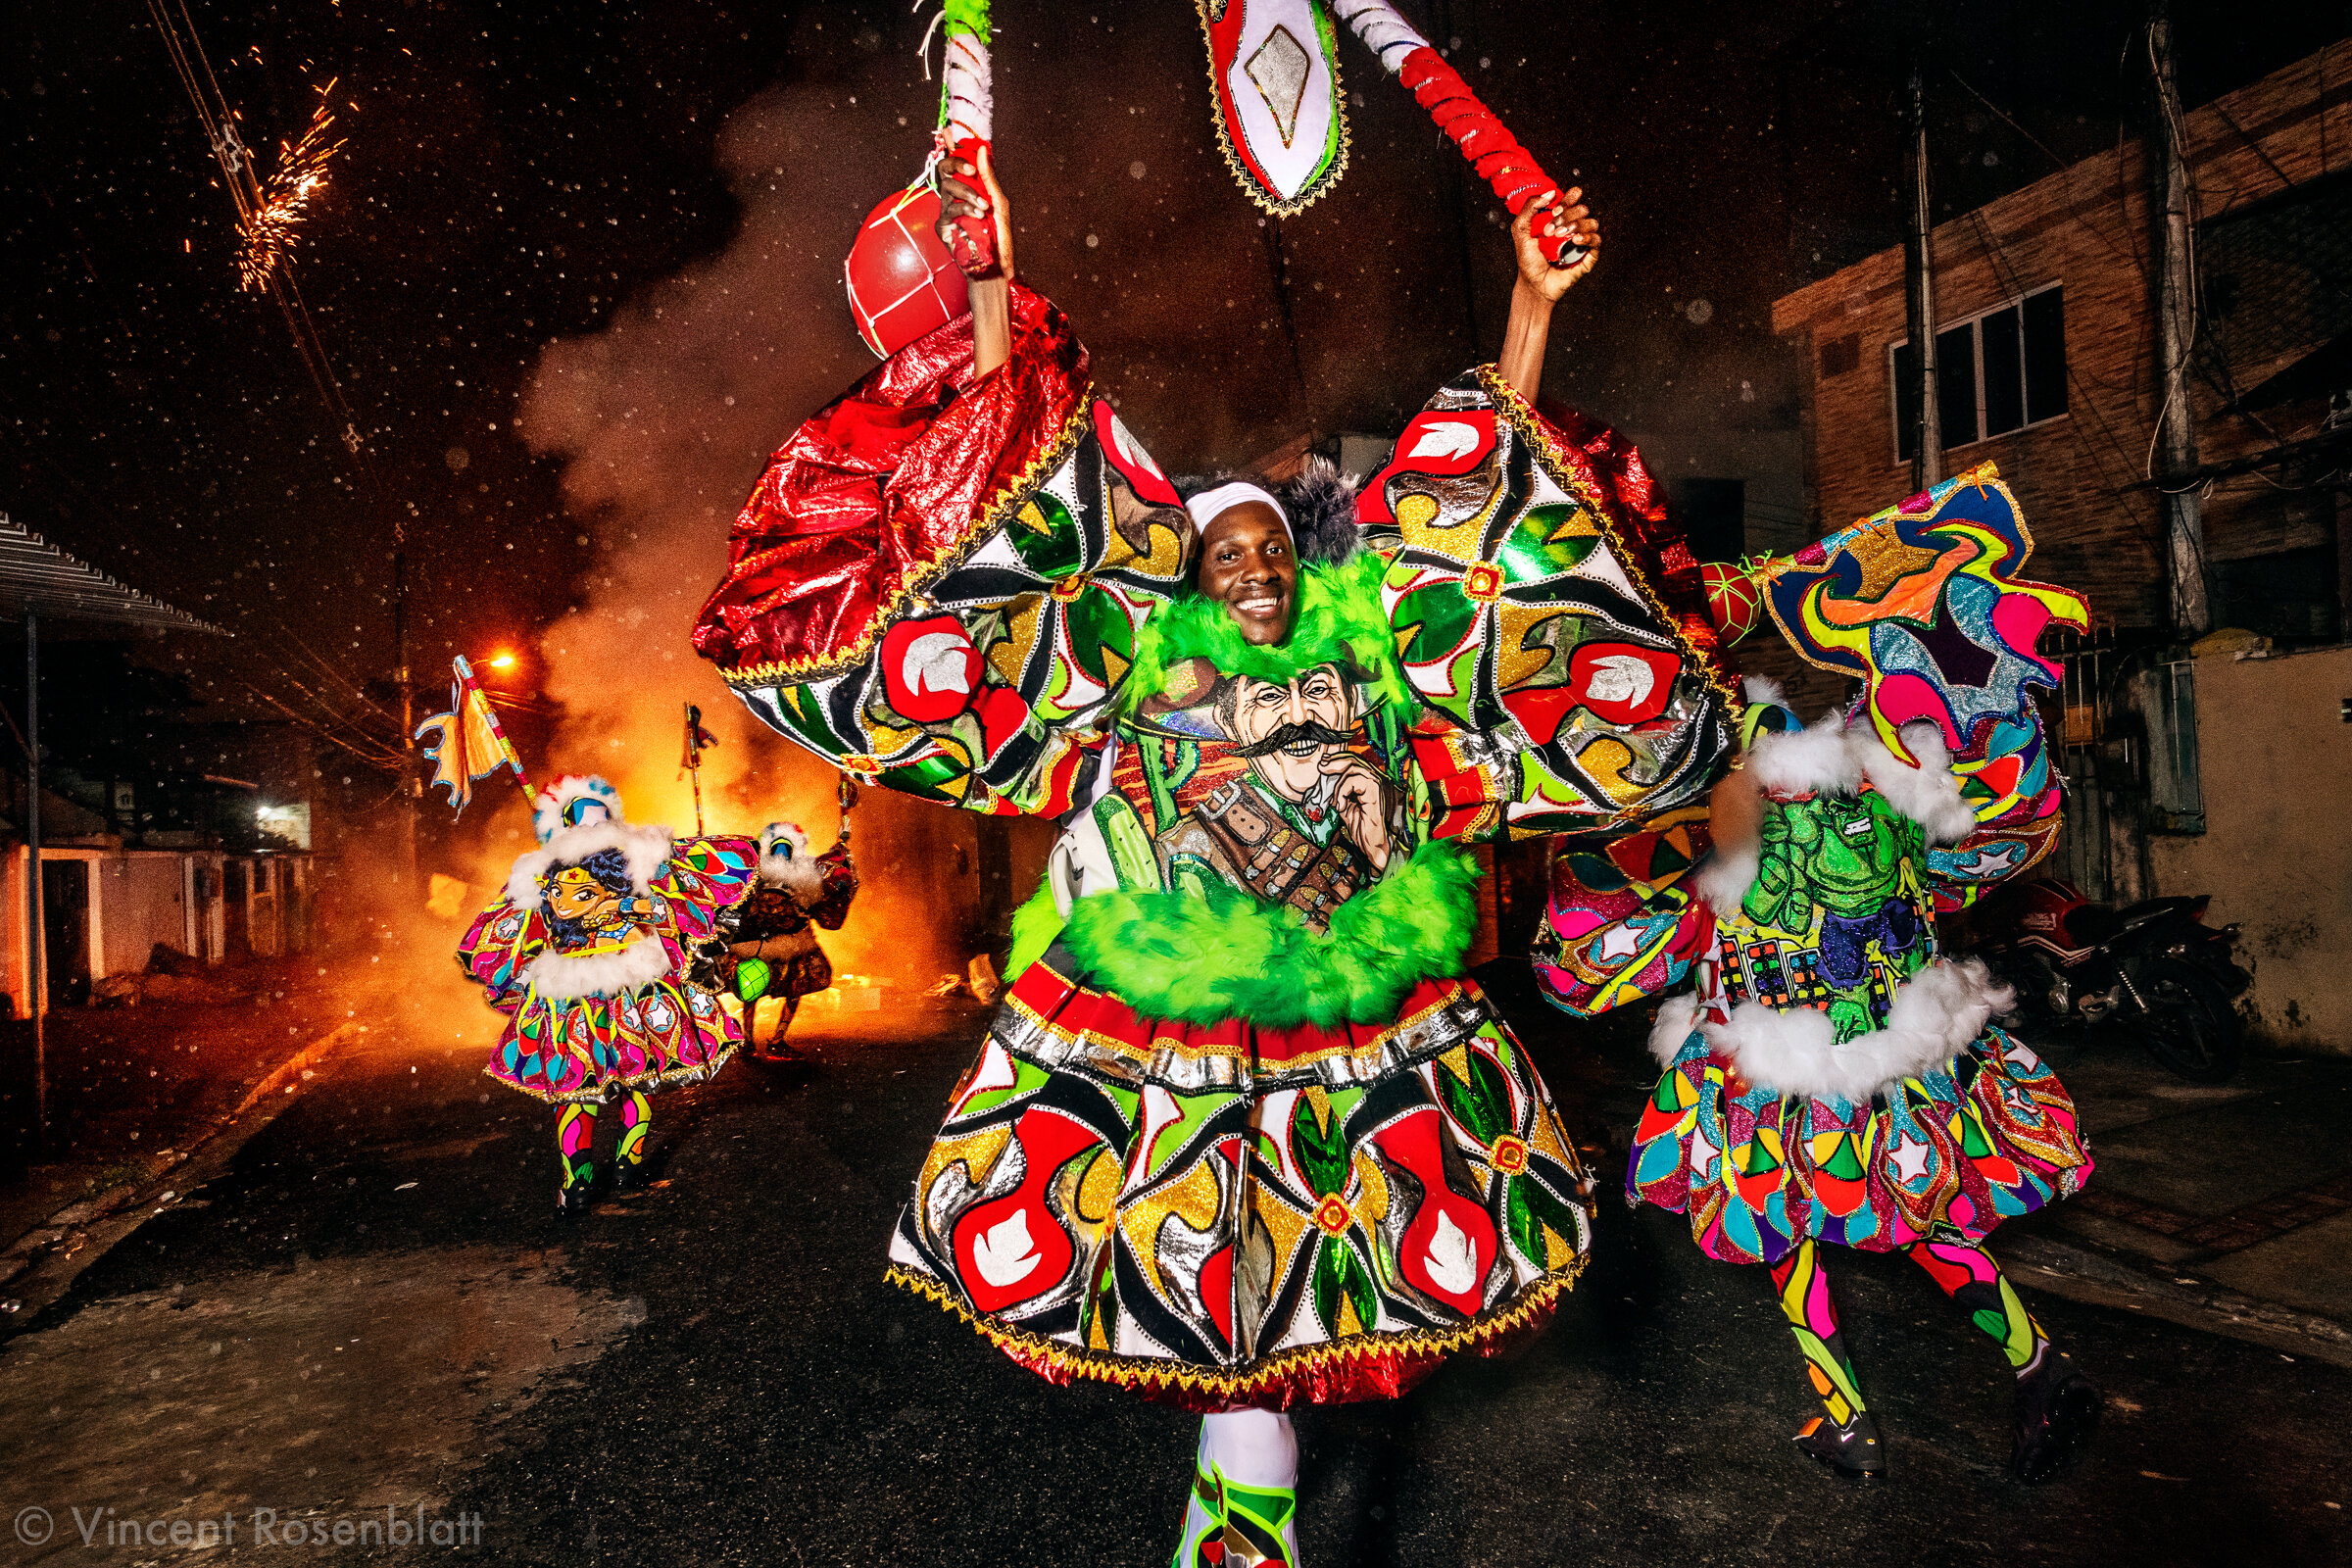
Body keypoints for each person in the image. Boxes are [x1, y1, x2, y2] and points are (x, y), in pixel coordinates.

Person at [692, 146, 1735, 1564]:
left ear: (1306, 566)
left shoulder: (1378, 671)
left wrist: (1533, 301)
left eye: (1271, 551)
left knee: (1262, 1365)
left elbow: (1479, 503)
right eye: (1223, 552)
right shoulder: (1126, 679)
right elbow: (1005, 492)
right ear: (1184, 577)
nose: (1250, 569)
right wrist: (988, 285)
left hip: (1364, 1037)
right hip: (1166, 1040)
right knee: (1244, 1370)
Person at [1530, 468, 2101, 1484]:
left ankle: (1848, 1419)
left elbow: (1606, 955)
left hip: (1774, 1075)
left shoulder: (1725, 811)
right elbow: (1970, 858)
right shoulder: (1887, 786)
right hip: (1890, 1061)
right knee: (1925, 1225)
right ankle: (2034, 1364)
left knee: (1786, 1243)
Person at [458, 775, 760, 1213]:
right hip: (613, 987)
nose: (592, 829)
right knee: (621, 1078)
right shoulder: (611, 865)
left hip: (602, 988)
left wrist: (621, 907)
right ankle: (613, 1172)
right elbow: (681, 910)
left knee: (601, 1081)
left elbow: (510, 939)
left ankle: (591, 1181)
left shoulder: (582, 866)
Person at [714, 821, 858, 1058]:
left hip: (787, 946)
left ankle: (767, 1040)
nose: (782, 852)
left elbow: (820, 906)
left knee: (787, 988)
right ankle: (752, 1042)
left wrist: (839, 860)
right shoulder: (754, 876)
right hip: (760, 945)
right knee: (755, 990)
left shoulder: (799, 877)